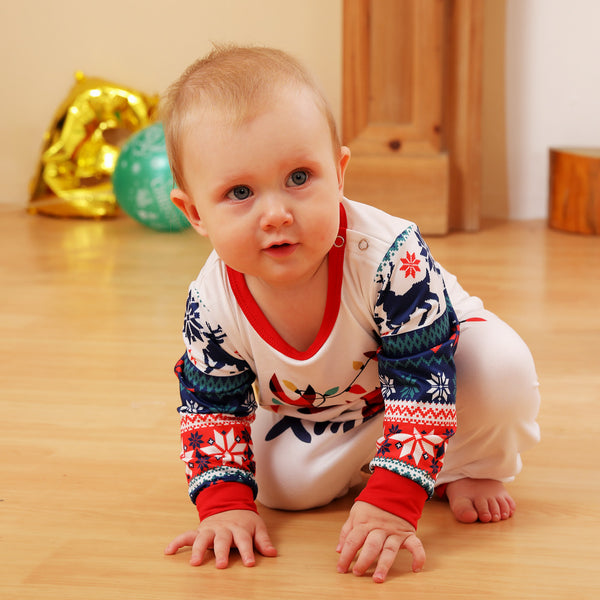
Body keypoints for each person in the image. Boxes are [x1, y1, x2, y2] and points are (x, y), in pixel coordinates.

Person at [161, 45, 540, 583]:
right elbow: (211, 405)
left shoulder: (389, 257)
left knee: (500, 369)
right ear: (195, 212)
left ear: (339, 172)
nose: (276, 213)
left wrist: (393, 501)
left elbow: (423, 378)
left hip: (436, 369)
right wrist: (225, 506)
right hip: (332, 409)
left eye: (299, 177)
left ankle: (465, 464)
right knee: (279, 490)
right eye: (239, 192)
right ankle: (396, 457)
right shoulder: (212, 302)